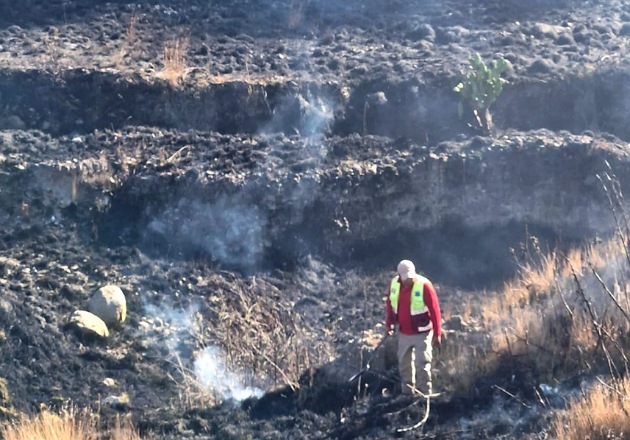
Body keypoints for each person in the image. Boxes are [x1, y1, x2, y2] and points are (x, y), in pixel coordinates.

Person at [385, 259, 442, 396]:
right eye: (405, 278)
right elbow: (390, 304)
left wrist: (437, 333)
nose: (408, 280)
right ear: (399, 276)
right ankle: (408, 393)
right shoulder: (394, 284)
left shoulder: (424, 286)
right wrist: (389, 324)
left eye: (410, 277)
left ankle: (425, 394)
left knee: (422, 363)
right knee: (404, 364)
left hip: (422, 332)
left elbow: (435, 310)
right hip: (404, 332)